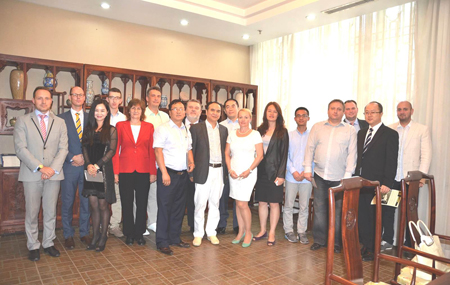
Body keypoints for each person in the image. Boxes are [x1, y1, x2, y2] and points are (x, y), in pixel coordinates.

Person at [14, 87, 68, 261]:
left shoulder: (60, 122)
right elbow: (20, 148)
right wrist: (40, 167)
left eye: (47, 98)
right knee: (32, 212)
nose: (43, 101)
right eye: (40, 98)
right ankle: (33, 245)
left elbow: (63, 148)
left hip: (54, 174)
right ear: (33, 100)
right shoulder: (23, 121)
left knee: (50, 211)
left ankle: (48, 243)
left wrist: (51, 168)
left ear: (51, 101)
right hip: (31, 174)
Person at [303, 99, 357, 253]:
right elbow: (310, 148)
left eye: (339, 109)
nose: (335, 111)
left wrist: (347, 176)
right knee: (319, 209)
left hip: (340, 178)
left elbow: (352, 154)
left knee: (339, 211)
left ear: (343, 112)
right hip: (319, 175)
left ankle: (336, 243)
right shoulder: (317, 127)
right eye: (333, 108)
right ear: (328, 110)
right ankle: (319, 240)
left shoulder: (349, 130)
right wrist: (307, 169)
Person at [355, 101, 398, 261]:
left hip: (380, 184)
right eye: (367, 112)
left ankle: (374, 250)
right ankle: (366, 245)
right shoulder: (361, 133)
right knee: (364, 216)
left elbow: (392, 160)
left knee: (376, 217)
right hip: (362, 183)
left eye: (373, 112)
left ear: (381, 114)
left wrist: (387, 182)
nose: (369, 115)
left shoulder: (390, 134)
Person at [388, 101, 432, 250]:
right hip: (392, 178)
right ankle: (388, 240)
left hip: (410, 180)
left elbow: (426, 154)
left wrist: (421, 176)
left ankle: (409, 245)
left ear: (411, 111)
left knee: (410, 213)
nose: (402, 112)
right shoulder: (390, 129)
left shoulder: (422, 129)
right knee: (388, 210)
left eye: (405, 109)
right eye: (399, 109)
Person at [153, 99, 195, 255]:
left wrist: (191, 162)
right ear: (169, 111)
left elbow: (188, 149)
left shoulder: (185, 129)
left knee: (178, 208)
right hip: (168, 173)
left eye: (181, 109)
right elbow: (158, 152)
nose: (179, 111)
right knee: (165, 208)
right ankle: (162, 242)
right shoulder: (162, 129)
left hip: (182, 174)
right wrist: (163, 172)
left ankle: (174, 238)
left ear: (184, 112)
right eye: (175, 108)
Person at [113, 99, 157, 246]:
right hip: (125, 169)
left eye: (139, 109)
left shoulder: (149, 127)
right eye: (133, 108)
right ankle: (129, 233)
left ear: (142, 111)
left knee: (142, 202)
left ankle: (140, 233)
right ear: (129, 110)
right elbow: (115, 150)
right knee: (126, 202)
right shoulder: (120, 126)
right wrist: (116, 172)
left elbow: (152, 151)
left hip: (144, 170)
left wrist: (152, 172)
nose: (136, 111)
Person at [190, 102, 228, 246]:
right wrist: (191, 172)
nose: (215, 113)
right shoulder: (196, 128)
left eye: (218, 111)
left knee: (215, 203)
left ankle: (211, 232)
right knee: (200, 203)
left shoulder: (223, 130)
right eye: (212, 110)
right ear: (206, 111)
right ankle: (198, 233)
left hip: (219, 170)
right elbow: (191, 151)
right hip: (202, 171)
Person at [82, 98, 117, 252]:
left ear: (107, 112)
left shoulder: (111, 129)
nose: (99, 113)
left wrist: (97, 165)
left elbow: (111, 151)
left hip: (103, 170)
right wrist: (89, 165)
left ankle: (103, 236)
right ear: (93, 112)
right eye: (96, 110)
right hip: (90, 171)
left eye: (102, 110)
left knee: (103, 205)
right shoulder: (88, 128)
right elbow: (84, 148)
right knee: (93, 205)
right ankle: (95, 236)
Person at [58, 86, 91, 249]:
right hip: (68, 166)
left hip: (86, 166)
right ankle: (68, 234)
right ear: (70, 97)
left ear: (84, 98)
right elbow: (56, 144)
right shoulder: (60, 118)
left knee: (86, 202)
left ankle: (84, 233)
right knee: (67, 201)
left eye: (81, 95)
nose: (78, 97)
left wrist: (85, 157)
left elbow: (94, 142)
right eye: (75, 94)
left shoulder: (91, 118)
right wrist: (71, 157)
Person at [225, 108, 263, 247]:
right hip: (234, 173)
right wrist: (230, 169)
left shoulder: (255, 134)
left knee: (243, 203)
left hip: (248, 173)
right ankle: (240, 232)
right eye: (240, 117)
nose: (243, 120)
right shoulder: (232, 134)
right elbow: (227, 153)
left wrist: (249, 170)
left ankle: (248, 232)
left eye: (246, 117)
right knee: (237, 203)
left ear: (250, 119)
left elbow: (260, 155)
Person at [253, 102, 289, 246]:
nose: (272, 114)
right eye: (269, 111)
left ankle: (272, 232)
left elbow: (284, 154)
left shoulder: (282, 132)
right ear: (265, 113)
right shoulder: (259, 130)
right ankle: (263, 230)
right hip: (260, 172)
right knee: (261, 202)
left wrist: (281, 175)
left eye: (274, 111)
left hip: (275, 173)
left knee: (274, 203)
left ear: (278, 114)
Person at [283, 107, 313, 244]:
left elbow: (314, 156)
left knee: (304, 206)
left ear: (308, 118)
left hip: (307, 177)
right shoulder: (289, 135)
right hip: (291, 176)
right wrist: (294, 171)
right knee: (288, 205)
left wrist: (306, 171)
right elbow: (286, 156)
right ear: (295, 118)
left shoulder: (313, 135)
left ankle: (302, 231)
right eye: (298, 116)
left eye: (304, 115)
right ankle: (288, 230)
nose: (301, 118)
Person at [143, 86, 170, 234]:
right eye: (153, 96)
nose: (155, 99)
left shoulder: (165, 117)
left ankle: (152, 221)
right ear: (147, 98)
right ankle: (139, 222)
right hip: (144, 158)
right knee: (141, 193)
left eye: (158, 96)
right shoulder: (142, 114)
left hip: (161, 159)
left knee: (154, 192)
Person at [217, 98, 243, 234]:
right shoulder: (220, 125)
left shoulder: (245, 124)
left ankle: (238, 224)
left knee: (238, 196)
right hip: (223, 166)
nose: (230, 108)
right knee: (222, 195)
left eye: (233, 106)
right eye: (227, 107)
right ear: (224, 110)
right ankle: (221, 223)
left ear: (238, 107)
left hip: (240, 166)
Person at [106, 87, 127, 238]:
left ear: (121, 100)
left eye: (117, 97)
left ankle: (114, 225)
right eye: (111, 97)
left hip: (118, 162)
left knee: (118, 196)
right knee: (100, 196)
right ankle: (101, 225)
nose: (114, 100)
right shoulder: (100, 115)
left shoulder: (124, 119)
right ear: (107, 99)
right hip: (100, 162)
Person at [184, 99, 203, 233]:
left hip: (196, 170)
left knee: (194, 200)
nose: (193, 110)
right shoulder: (177, 124)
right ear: (185, 110)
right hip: (176, 169)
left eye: (196, 108)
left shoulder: (205, 127)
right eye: (190, 107)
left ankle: (193, 226)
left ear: (201, 111)